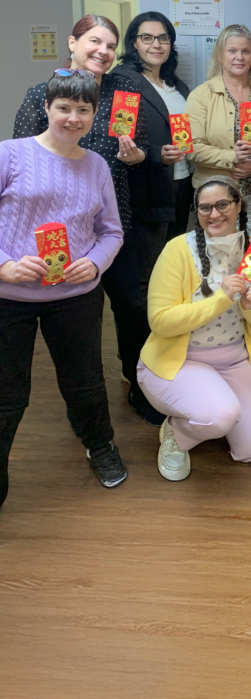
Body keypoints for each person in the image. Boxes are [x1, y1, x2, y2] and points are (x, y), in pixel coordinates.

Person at [13, 15, 161, 425]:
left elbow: (143, 145)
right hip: (55, 234)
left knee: (132, 305)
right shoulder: (41, 95)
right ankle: (82, 400)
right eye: (95, 42)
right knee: (77, 319)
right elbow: (25, 159)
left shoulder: (124, 89)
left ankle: (136, 382)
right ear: (73, 43)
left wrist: (138, 155)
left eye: (111, 46)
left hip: (112, 221)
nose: (103, 51)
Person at [0, 70, 126, 508]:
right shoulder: (10, 155)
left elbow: (111, 232)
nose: (73, 117)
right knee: (7, 396)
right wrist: (4, 266)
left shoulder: (97, 166)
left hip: (74, 297)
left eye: (83, 110)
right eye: (64, 108)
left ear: (95, 114)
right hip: (8, 300)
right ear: (47, 109)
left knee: (85, 383)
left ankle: (102, 446)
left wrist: (93, 263)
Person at [136, 176, 251, 480]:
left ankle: (208, 412)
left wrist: (250, 308)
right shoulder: (177, 250)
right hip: (180, 359)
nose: (214, 214)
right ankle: (179, 434)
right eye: (205, 208)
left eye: (222, 204)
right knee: (220, 414)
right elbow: (159, 320)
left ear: (239, 205)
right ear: (196, 212)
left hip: (234, 360)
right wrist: (222, 298)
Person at [117, 11, 192, 303]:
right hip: (147, 190)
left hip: (181, 185)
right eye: (147, 37)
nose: (156, 44)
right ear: (134, 43)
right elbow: (119, 141)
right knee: (145, 276)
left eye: (163, 38)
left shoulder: (177, 85)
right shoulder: (123, 82)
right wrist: (153, 155)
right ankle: (140, 347)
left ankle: (168, 334)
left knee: (172, 269)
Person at [186, 25, 251, 240]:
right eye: (232, 51)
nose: (239, 57)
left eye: (245, 51)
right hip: (215, 198)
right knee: (218, 258)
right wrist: (230, 158)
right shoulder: (200, 96)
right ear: (220, 55)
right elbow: (190, 147)